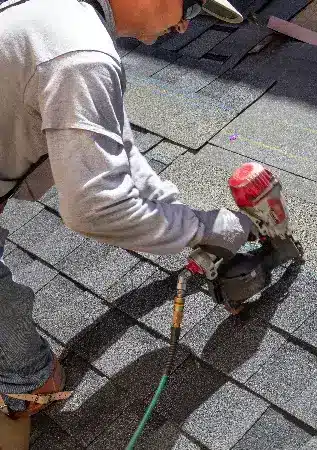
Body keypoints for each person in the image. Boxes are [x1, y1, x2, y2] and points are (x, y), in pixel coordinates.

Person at [0, 0, 247, 418]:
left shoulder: (63, 18)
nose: (187, 26)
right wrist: (199, 228)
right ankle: (23, 392)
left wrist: (194, 223)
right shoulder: (80, 57)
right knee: (30, 383)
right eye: (192, 7)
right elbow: (97, 207)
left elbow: (119, 152)